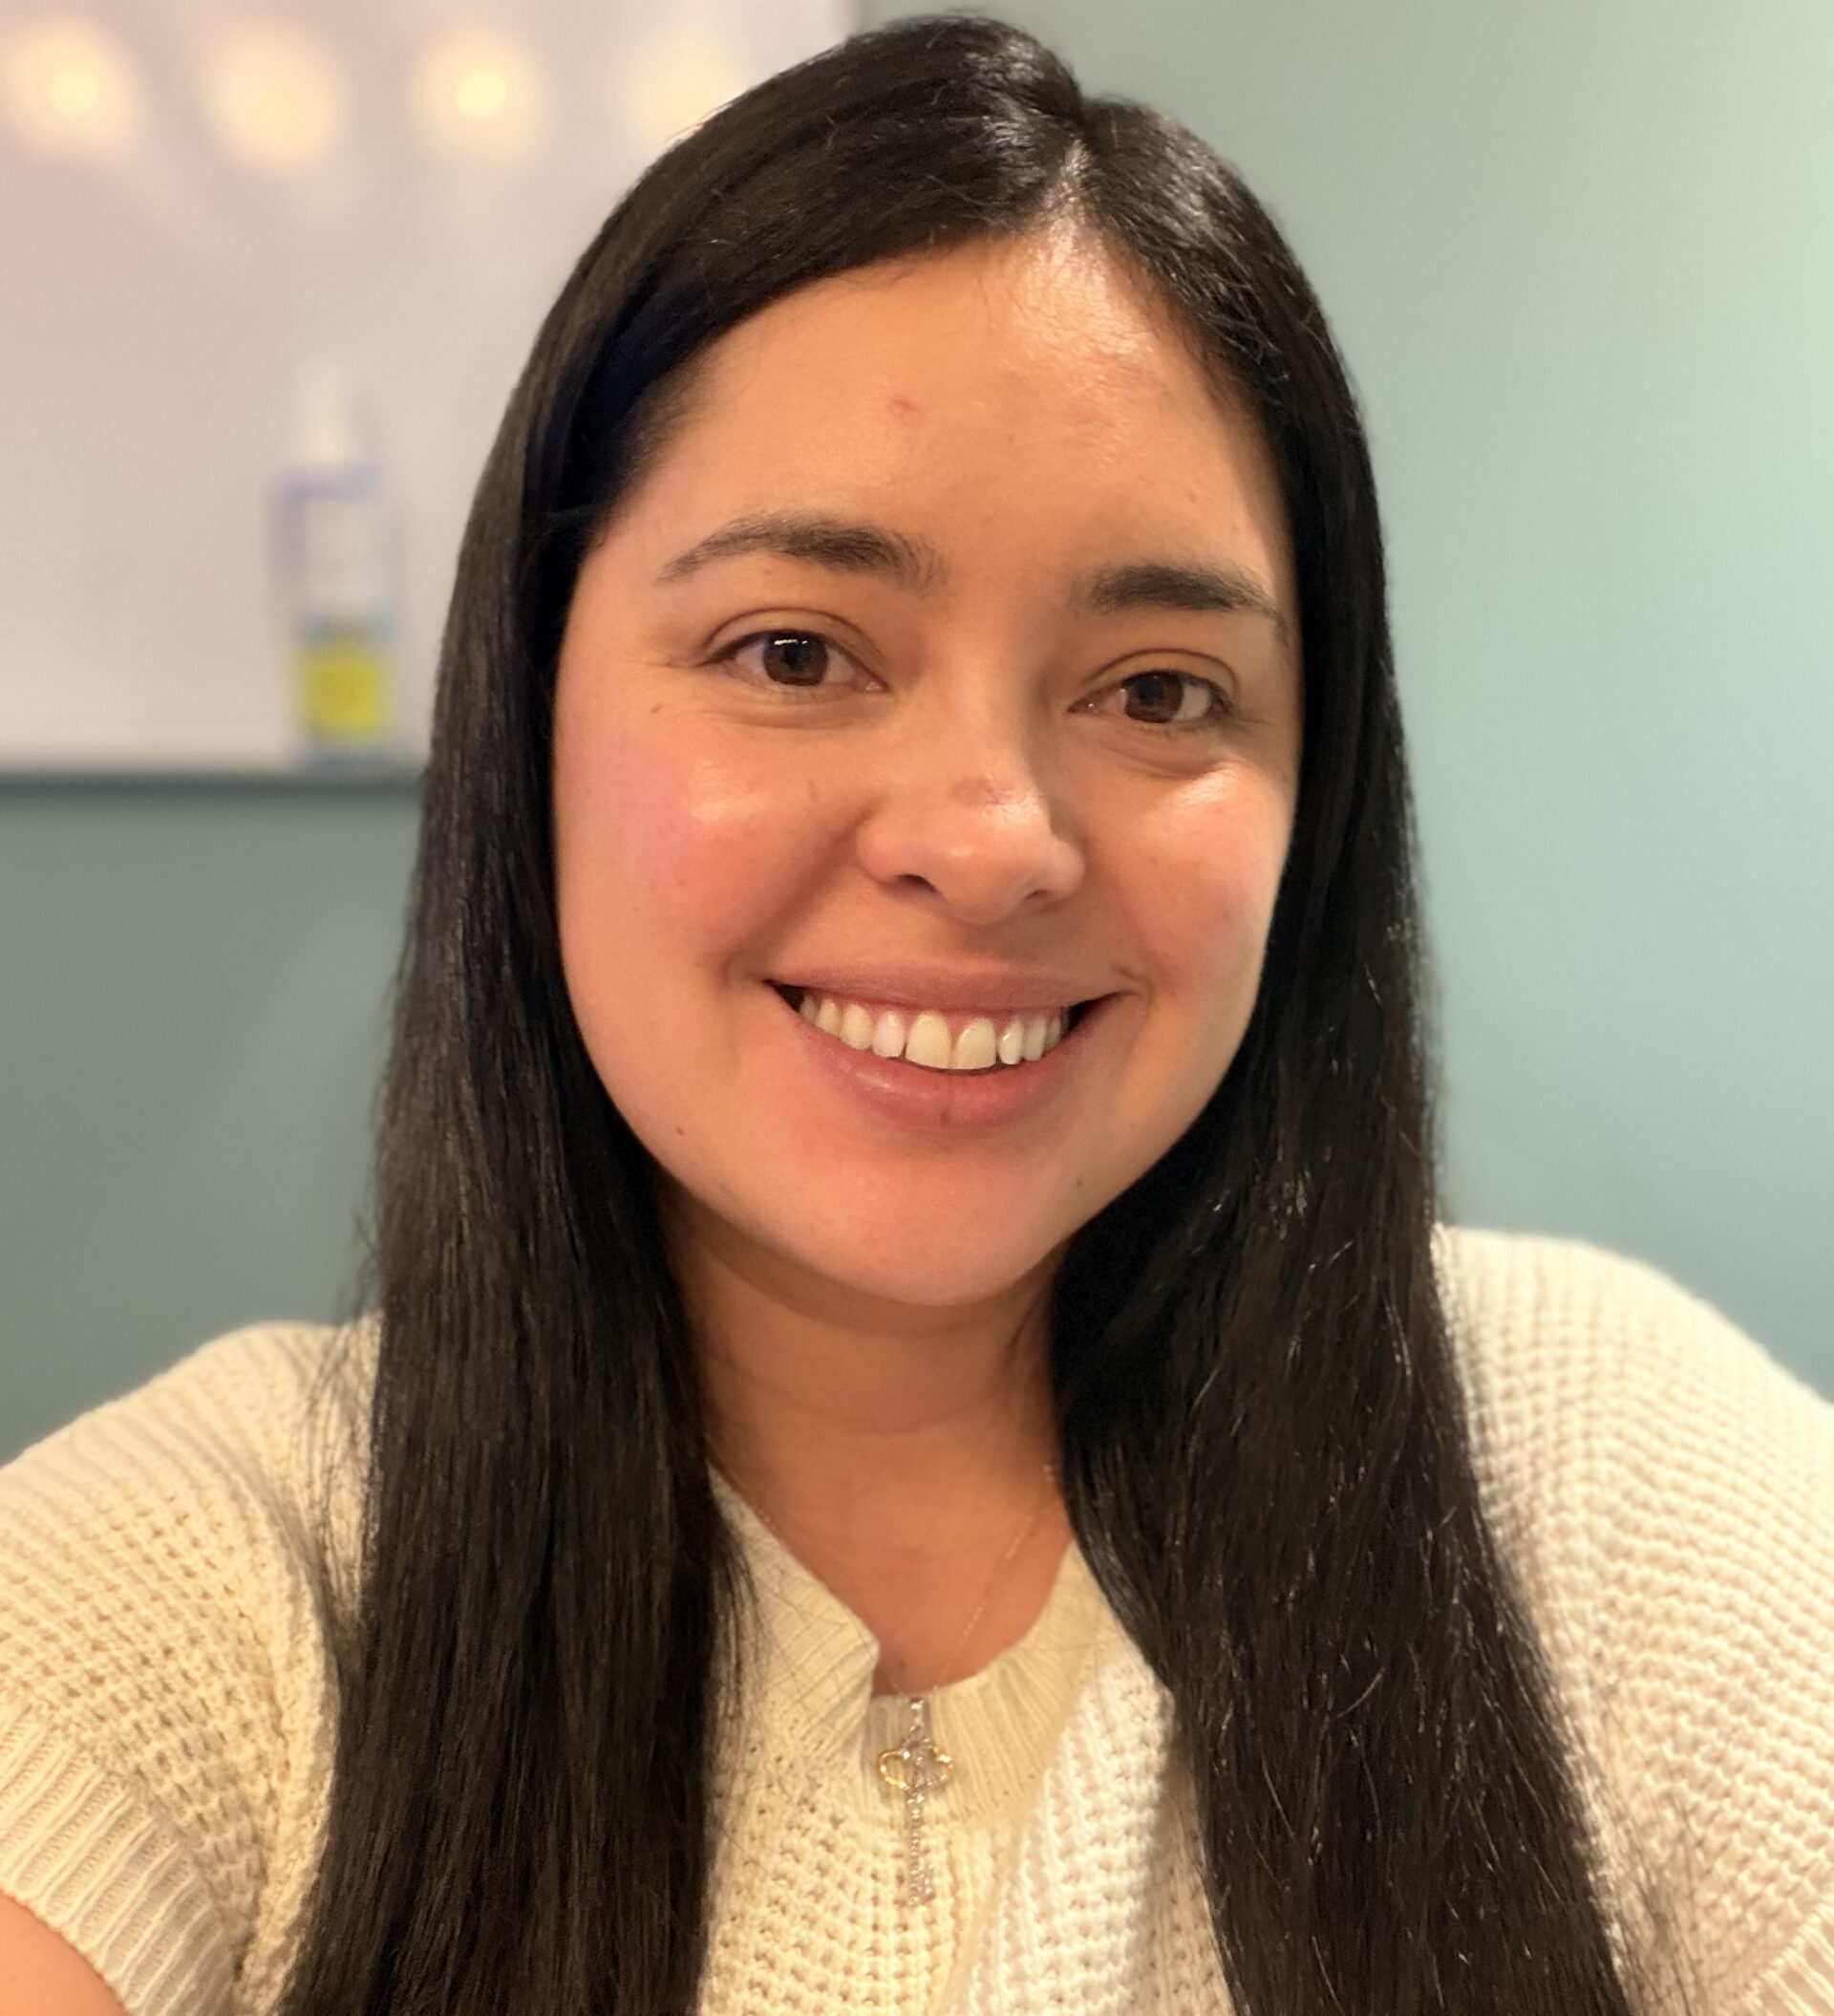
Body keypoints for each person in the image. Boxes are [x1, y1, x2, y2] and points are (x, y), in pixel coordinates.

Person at [2, 15, 1830, 2016]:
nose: (990, 840)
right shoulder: (199, 1585)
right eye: (795, 651)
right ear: (532, 716)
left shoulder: (1615, 1477)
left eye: (1160, 690)